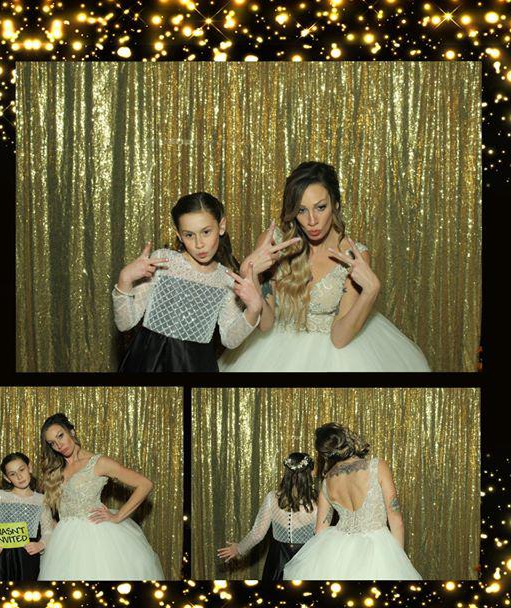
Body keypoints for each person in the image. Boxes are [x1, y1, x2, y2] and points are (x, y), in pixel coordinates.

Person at [219, 162, 430, 371]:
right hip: (271, 352)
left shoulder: (352, 255)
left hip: (335, 356)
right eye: (302, 210)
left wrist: (371, 292)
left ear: (335, 205)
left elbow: (339, 339)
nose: (312, 220)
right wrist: (251, 275)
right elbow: (265, 325)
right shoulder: (274, 242)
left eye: (320, 207)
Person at [113, 192, 280, 372]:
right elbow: (125, 323)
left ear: (221, 226)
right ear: (179, 235)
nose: (199, 244)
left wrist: (254, 310)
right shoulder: (162, 261)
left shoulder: (226, 279)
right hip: (147, 361)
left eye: (206, 232)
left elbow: (229, 339)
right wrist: (125, 279)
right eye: (189, 235)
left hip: (195, 365)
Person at [282, 424, 422, 580]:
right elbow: (396, 520)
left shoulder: (327, 481)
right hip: (378, 547)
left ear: (326, 453)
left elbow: (320, 530)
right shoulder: (377, 466)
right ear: (347, 439)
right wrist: (398, 560)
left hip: (339, 550)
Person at [36, 413, 165, 580]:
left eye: (60, 436)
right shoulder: (56, 469)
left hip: (95, 537)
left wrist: (118, 516)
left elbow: (145, 484)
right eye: (52, 443)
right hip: (63, 540)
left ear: (72, 432)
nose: (59, 445)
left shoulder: (98, 462)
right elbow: (48, 506)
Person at [216, 453, 317, 580]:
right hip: (307, 559)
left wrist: (239, 549)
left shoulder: (272, 498)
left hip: (278, 560)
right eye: (313, 470)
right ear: (308, 474)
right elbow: (322, 536)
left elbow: (257, 534)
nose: (315, 474)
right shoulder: (319, 502)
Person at [0, 452, 54, 580]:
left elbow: (48, 531)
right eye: (13, 474)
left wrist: (41, 544)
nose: (19, 477)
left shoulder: (41, 500)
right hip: (1, 558)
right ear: (7, 478)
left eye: (22, 469)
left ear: (29, 468)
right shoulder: (0, 496)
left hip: (28, 557)